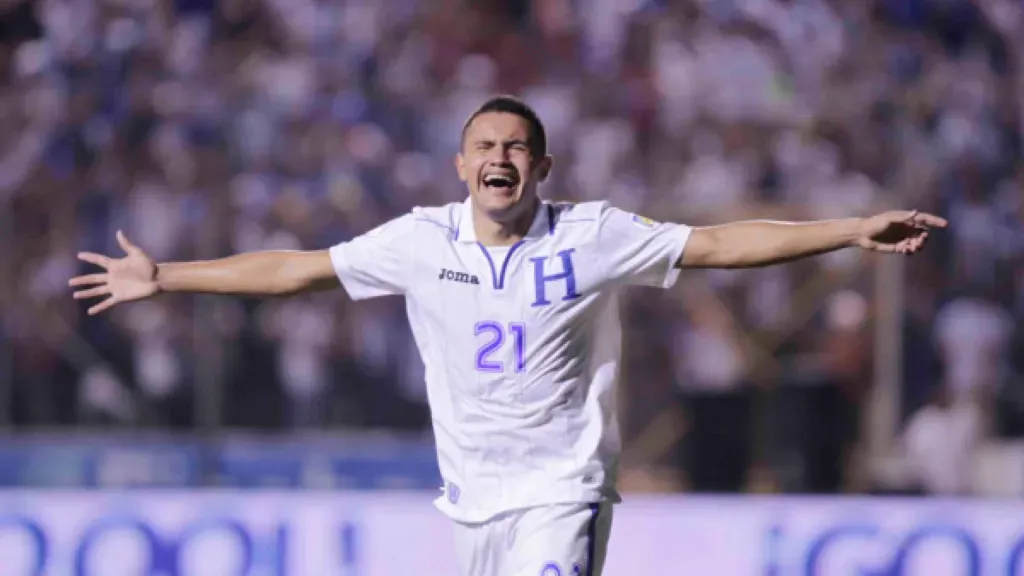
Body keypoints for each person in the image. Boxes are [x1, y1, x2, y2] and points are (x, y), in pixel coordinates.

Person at [69, 95, 946, 576]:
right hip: (472, 502)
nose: (500, 155)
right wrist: (169, 277)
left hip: (562, 493)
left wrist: (848, 228)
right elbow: (294, 268)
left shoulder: (592, 232)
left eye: (518, 145)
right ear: (461, 165)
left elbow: (717, 245)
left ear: (542, 166)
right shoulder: (417, 240)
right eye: (485, 143)